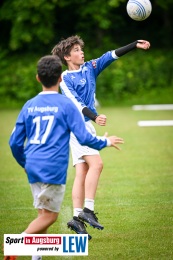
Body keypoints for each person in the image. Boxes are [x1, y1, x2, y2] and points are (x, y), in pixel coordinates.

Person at [6, 55, 124, 260]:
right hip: (52, 169)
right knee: (50, 216)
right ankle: (17, 244)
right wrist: (105, 142)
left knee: (42, 214)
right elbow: (84, 137)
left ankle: (36, 256)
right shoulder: (65, 105)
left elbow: (14, 143)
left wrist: (24, 163)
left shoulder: (29, 105)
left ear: (37, 78)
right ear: (60, 78)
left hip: (32, 167)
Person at [51, 36, 150, 239]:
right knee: (97, 165)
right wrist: (95, 116)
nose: (82, 52)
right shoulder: (65, 79)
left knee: (82, 171)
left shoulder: (90, 68)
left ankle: (77, 219)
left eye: (81, 49)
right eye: (77, 50)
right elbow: (77, 104)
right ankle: (88, 210)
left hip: (82, 126)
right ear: (67, 56)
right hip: (79, 126)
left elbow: (110, 56)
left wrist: (133, 45)